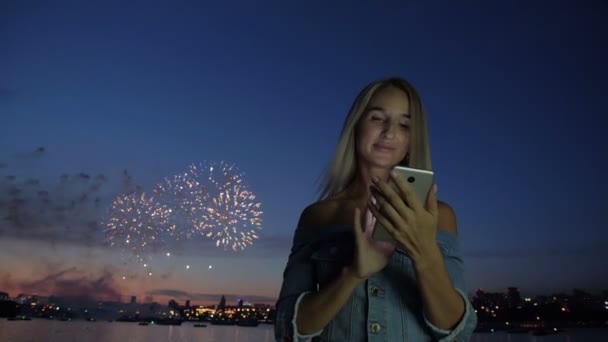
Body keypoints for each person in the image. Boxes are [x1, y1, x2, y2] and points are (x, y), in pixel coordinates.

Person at [274, 77, 478, 341]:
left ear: (410, 142)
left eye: (404, 124)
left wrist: (424, 251)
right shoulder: (318, 216)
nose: (390, 132)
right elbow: (288, 329)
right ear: (356, 126)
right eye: (377, 118)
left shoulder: (439, 217)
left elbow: (459, 331)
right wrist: (353, 274)